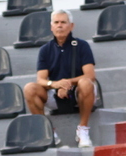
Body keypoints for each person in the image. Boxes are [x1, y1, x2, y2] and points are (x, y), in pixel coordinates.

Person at [23, 10, 97, 148]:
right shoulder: (45, 50)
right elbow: (41, 80)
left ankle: (83, 130)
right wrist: (56, 84)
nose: (59, 26)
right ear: (51, 26)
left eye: (63, 22)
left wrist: (66, 84)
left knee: (86, 83)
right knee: (29, 88)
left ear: (71, 26)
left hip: (78, 91)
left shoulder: (82, 45)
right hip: (55, 92)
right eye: (56, 22)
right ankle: (48, 132)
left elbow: (90, 75)